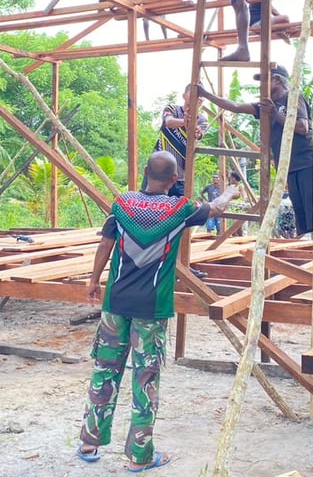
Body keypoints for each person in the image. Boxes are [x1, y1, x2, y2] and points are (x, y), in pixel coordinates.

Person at [76, 151, 236, 471]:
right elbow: (216, 208)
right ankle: (139, 456)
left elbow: (105, 244)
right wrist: (231, 190)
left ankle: (90, 441)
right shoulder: (181, 209)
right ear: (174, 179)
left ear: (145, 171)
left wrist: (93, 281)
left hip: (115, 302)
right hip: (151, 309)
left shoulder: (122, 204)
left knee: (105, 369)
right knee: (145, 377)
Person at [197, 67, 313, 284]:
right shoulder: (266, 106)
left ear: (278, 80)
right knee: (312, 223)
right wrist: (206, 94)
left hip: (308, 165)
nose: (261, 85)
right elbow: (234, 106)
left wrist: (275, 115)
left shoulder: (293, 98)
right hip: (290, 168)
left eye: (265, 80)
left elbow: (302, 127)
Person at [148, 85, 208, 198]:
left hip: (181, 176)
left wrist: (197, 132)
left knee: (179, 206)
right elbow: (168, 122)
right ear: (184, 96)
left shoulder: (202, 120)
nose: (198, 98)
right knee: (150, 203)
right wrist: (184, 122)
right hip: (157, 173)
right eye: (194, 95)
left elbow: (199, 134)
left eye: (201, 96)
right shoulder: (171, 109)